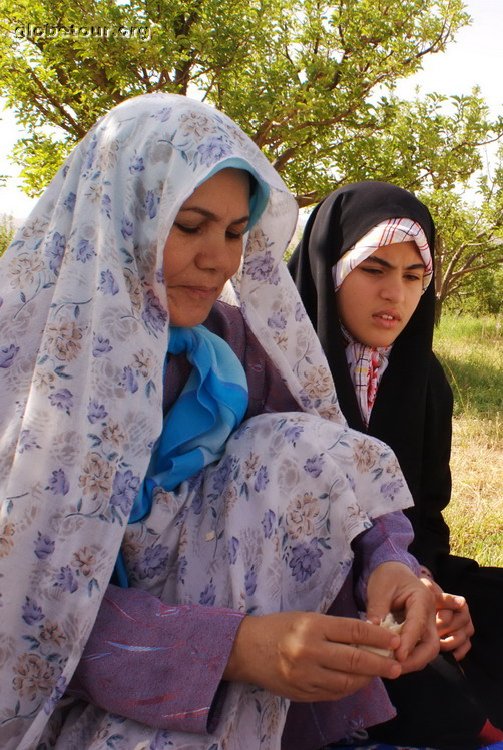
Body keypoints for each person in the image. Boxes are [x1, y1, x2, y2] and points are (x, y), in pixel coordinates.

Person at [0, 97, 439, 750]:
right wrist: (229, 648)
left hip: (219, 658)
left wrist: (390, 565)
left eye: (235, 233)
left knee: (292, 443)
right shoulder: (27, 368)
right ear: (119, 218)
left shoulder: (229, 347)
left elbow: (327, 467)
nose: (220, 260)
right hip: (72, 681)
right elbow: (24, 606)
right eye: (189, 225)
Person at [289, 180, 503, 748]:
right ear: (330, 267)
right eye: (374, 269)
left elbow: (425, 513)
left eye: (414, 277)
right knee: (428, 692)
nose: (396, 295)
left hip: (403, 573)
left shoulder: (425, 378)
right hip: (304, 596)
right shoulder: (275, 364)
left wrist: (430, 589)